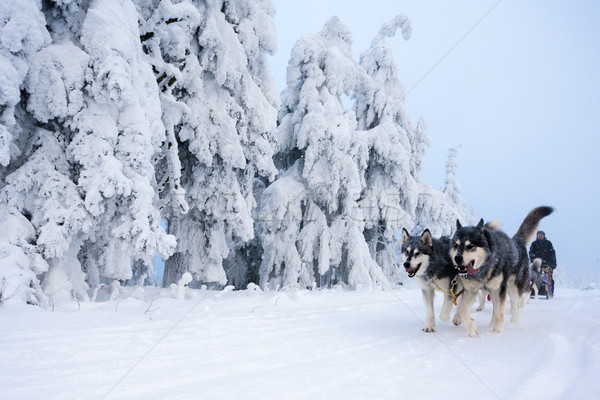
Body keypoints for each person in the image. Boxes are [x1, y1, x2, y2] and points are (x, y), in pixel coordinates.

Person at [529, 230, 557, 296]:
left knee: (547, 276)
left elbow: (552, 253)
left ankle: (549, 291)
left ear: (544, 236)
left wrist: (552, 263)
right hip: (536, 263)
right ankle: (532, 291)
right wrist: (533, 260)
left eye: (541, 235)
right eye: (539, 235)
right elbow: (531, 253)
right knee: (533, 276)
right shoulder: (534, 244)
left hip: (546, 263)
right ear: (537, 236)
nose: (540, 236)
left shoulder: (548, 243)